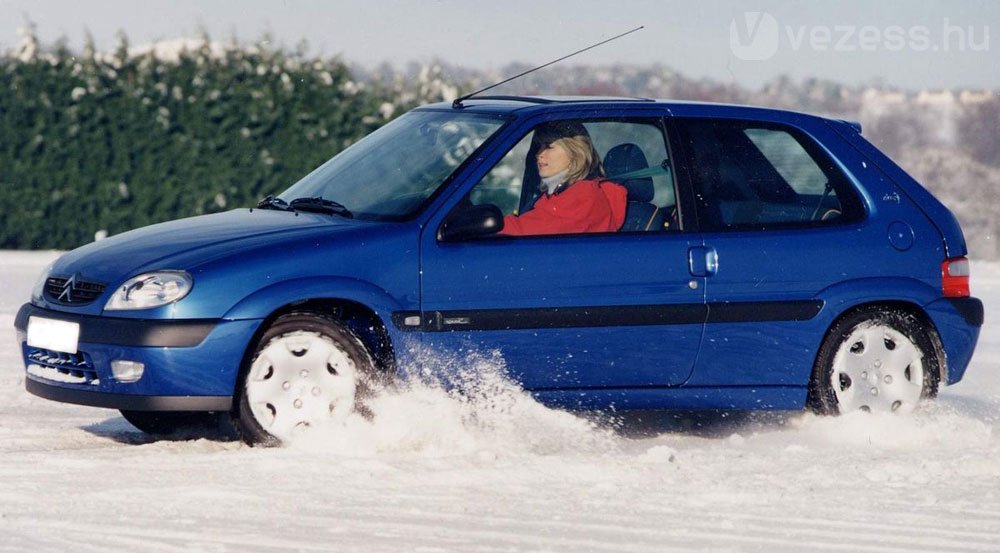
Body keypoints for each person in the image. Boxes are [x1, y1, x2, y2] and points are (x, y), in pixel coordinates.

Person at [499, 121, 627, 237]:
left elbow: (529, 229)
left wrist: (490, 226)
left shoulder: (583, 195)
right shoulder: (560, 193)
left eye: (549, 146)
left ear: (574, 153)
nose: (539, 154)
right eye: (540, 147)